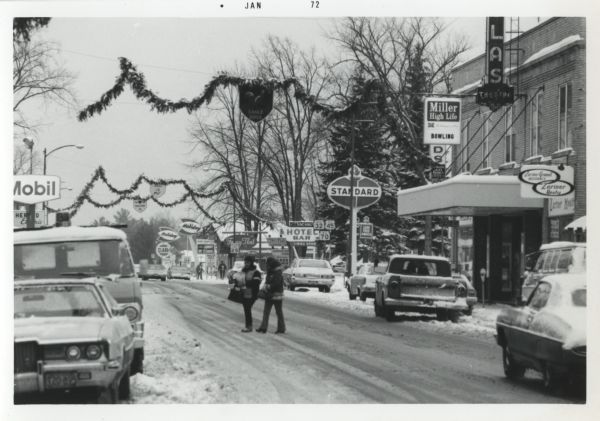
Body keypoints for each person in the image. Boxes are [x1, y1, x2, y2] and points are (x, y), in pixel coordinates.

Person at [256, 257, 286, 334]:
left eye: (267, 264)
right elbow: (267, 281)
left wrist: (269, 286)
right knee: (266, 312)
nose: (267, 265)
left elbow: (277, 283)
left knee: (278, 312)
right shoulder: (270, 272)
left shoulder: (278, 272)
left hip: (277, 295)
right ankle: (263, 327)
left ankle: (281, 328)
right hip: (269, 294)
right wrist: (265, 287)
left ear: (271, 264)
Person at [235, 255, 262, 333]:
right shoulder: (243, 271)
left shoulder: (256, 272)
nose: (246, 264)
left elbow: (256, 283)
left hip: (252, 294)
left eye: (248, 262)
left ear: (251, 263)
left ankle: (249, 326)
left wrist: (245, 283)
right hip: (244, 293)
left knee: (247, 308)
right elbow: (239, 280)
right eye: (245, 262)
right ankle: (248, 326)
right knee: (246, 309)